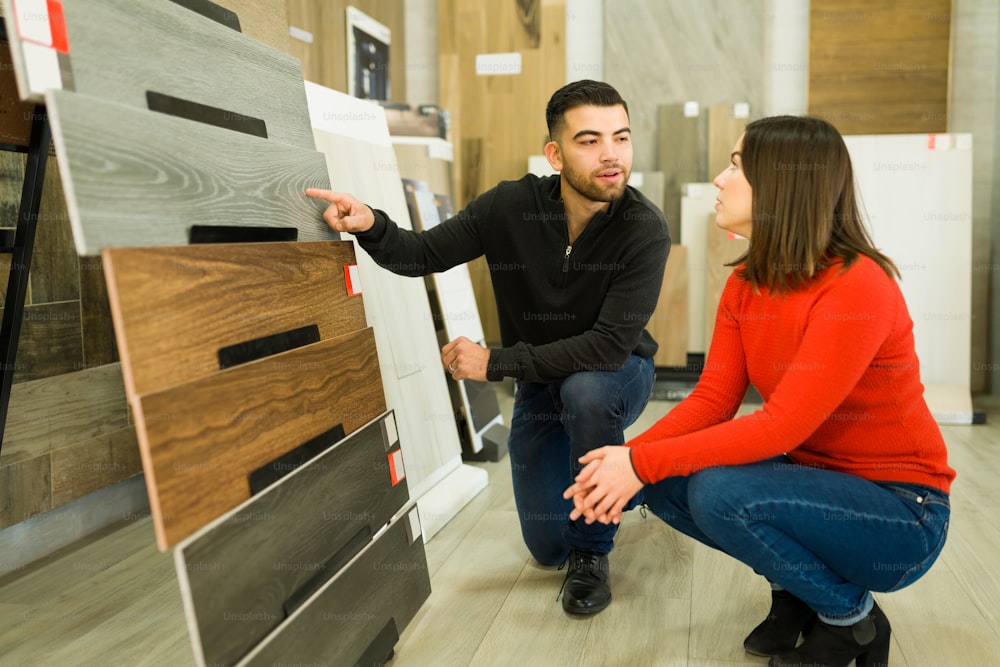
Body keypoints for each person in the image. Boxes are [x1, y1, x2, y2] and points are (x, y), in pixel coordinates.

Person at [563, 115, 954, 664]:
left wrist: (641, 462)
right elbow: (712, 402)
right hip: (813, 488)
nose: (720, 180)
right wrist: (629, 459)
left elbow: (782, 427)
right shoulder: (746, 284)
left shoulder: (857, 284)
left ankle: (851, 622)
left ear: (783, 184)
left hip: (902, 513)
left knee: (716, 491)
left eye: (736, 166)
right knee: (660, 479)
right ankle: (797, 595)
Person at [306, 80, 671, 615]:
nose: (611, 155)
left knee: (587, 392)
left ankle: (593, 554)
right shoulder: (510, 206)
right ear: (555, 153)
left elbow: (607, 348)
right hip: (541, 382)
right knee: (547, 548)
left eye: (621, 138)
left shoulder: (644, 229)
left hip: (616, 373)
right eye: (590, 141)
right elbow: (422, 253)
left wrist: (494, 362)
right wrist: (372, 224)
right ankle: (635, 481)